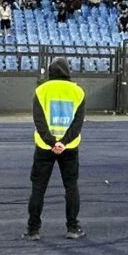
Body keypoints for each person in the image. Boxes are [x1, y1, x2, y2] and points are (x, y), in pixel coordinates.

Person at [25, 58, 86, 241]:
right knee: (71, 187)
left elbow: (39, 121)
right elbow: (77, 124)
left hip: (44, 147)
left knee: (38, 188)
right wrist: (63, 142)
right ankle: (73, 228)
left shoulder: (41, 90)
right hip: (69, 148)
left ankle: (33, 230)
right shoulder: (77, 91)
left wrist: (51, 142)